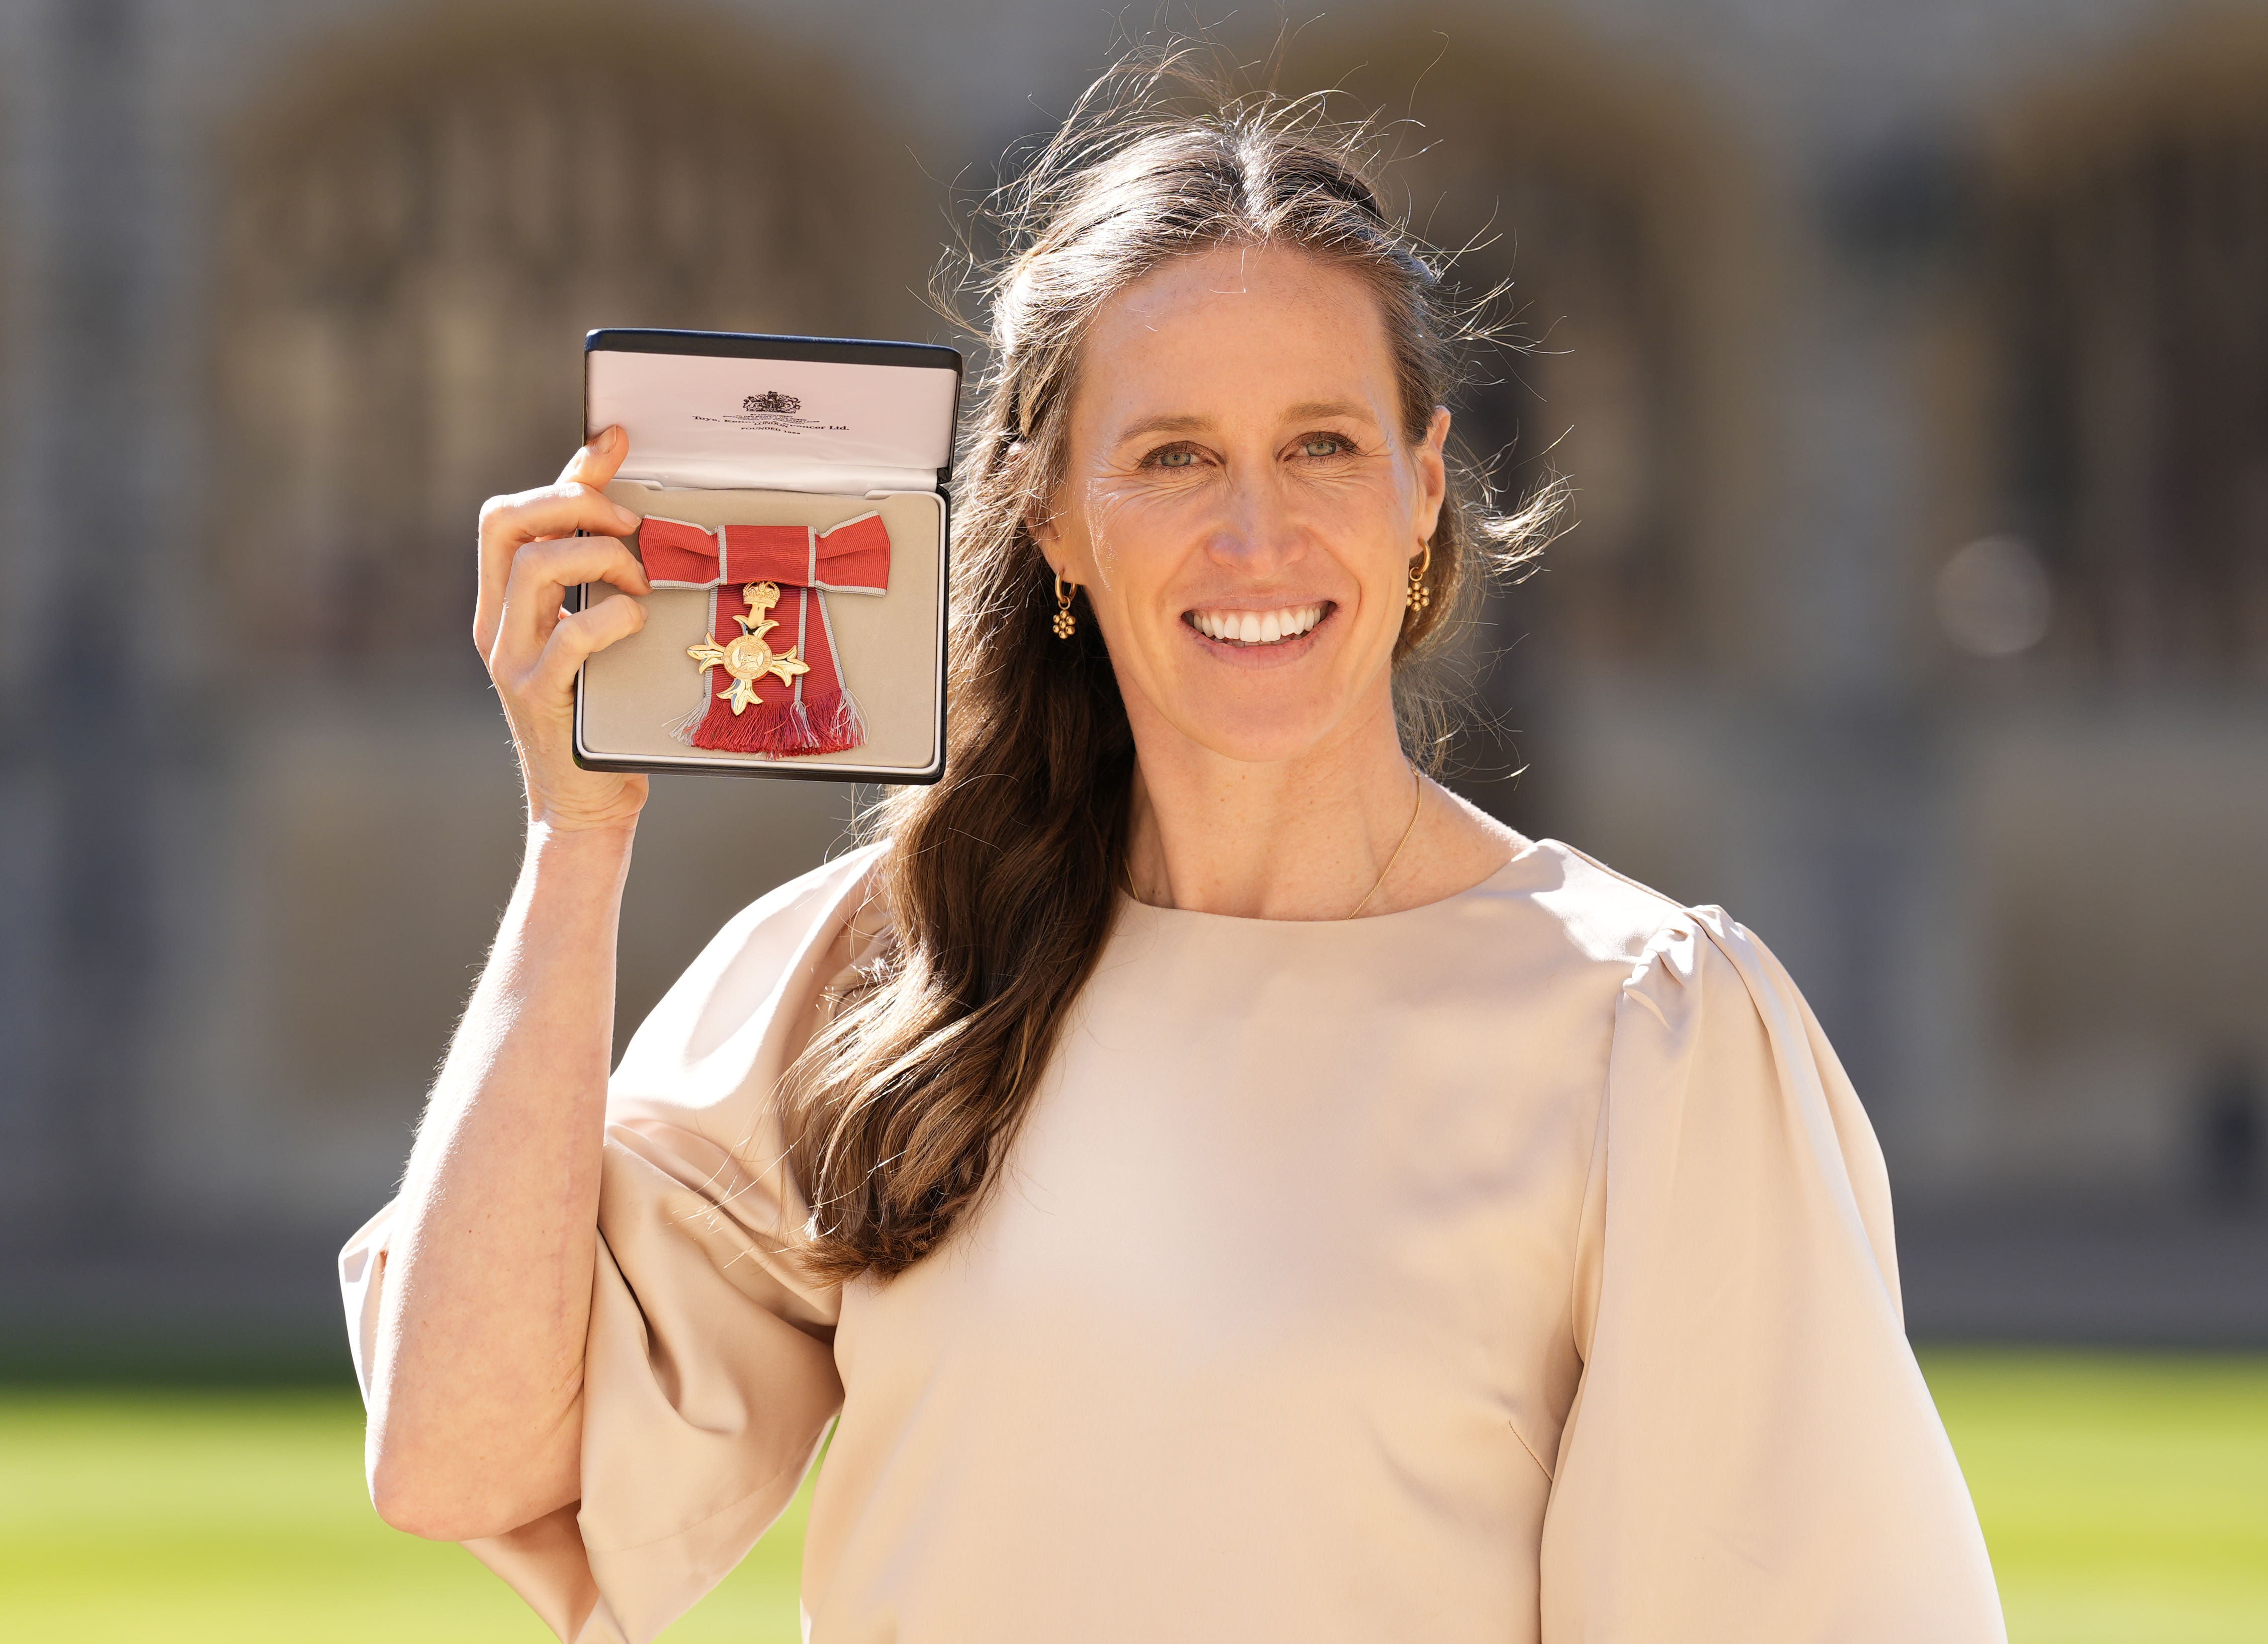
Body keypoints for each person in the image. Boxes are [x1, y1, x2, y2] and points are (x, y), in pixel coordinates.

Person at [341, 59, 2005, 1644]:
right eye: (1173, 457)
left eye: (1323, 446)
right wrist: (579, 838)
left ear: (1426, 488)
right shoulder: (902, 965)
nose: (1257, 535)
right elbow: (463, 1464)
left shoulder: (1649, 1032)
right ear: (1054, 514)